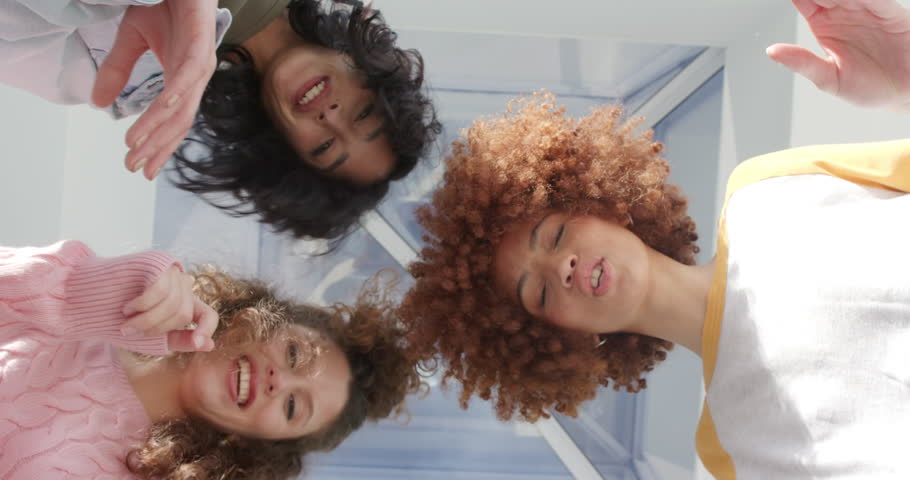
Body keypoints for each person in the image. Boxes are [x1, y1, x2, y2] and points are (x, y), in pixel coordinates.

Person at [399, 1, 910, 478]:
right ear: (560, 340)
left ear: (601, 204)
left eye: (553, 235)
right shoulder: (731, 448)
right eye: (540, 293)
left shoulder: (767, 193)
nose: (562, 268)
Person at [0, 0, 440, 241]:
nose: (331, 118)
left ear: (283, 150)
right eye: (363, 114)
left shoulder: (136, 82)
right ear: (370, 72)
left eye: (324, 147)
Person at [0, 240, 421, 479]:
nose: (280, 383)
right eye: (294, 354)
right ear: (260, 314)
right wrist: (87, 291)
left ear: (263, 444)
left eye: (293, 406)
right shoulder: (107, 302)